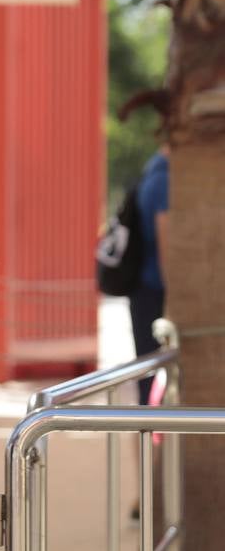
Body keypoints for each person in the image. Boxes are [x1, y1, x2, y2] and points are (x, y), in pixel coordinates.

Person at [131, 145, 168, 403]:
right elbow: (166, 245)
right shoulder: (164, 180)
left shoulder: (150, 174)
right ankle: (150, 441)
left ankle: (146, 439)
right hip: (155, 289)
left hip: (143, 288)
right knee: (151, 376)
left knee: (147, 373)